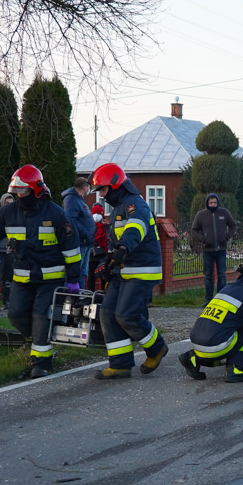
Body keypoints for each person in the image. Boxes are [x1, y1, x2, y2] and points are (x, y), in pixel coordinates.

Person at [0, 166, 81, 378]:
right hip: (22, 278)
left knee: (40, 317)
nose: (19, 195)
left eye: (23, 191)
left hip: (51, 279)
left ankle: (42, 364)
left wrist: (73, 280)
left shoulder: (56, 213)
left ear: (36, 189)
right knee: (16, 315)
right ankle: (35, 341)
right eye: (16, 191)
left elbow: (71, 249)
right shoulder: (7, 213)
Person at [89, 163, 168, 380]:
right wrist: (109, 261)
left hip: (142, 270)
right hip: (123, 271)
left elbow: (135, 229)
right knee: (107, 312)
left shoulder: (135, 205)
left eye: (103, 190)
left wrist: (123, 248)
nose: (102, 195)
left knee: (126, 315)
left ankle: (157, 347)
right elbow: (117, 242)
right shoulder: (117, 209)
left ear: (115, 186)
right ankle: (120, 365)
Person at [179, 263, 243, 382]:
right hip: (216, 345)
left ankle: (193, 358)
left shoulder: (229, 288)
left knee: (228, 334)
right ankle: (236, 368)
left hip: (198, 342)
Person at [191, 193, 237, 304]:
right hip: (207, 250)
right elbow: (194, 230)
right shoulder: (201, 215)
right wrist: (203, 239)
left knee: (222, 275)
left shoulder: (224, 213)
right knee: (208, 276)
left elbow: (233, 225)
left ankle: (221, 299)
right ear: (207, 203)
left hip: (221, 249)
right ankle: (208, 299)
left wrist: (226, 236)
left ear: (218, 203)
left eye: (215, 203)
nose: (213, 205)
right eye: (211, 203)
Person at [61, 177, 95, 287]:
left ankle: (80, 294)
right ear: (85, 188)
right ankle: (75, 295)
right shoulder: (71, 199)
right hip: (80, 241)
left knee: (83, 271)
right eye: (89, 188)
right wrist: (85, 233)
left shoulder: (79, 199)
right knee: (77, 270)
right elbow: (71, 220)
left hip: (85, 242)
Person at [87, 204, 110, 291]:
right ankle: (90, 295)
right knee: (91, 278)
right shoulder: (89, 227)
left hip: (103, 257)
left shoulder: (106, 227)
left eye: (98, 213)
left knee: (103, 277)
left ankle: (103, 295)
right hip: (92, 256)